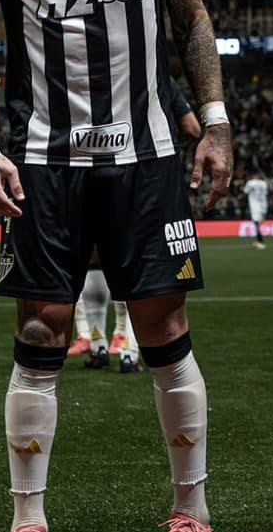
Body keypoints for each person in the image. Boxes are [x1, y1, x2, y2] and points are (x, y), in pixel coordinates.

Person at [0, 0, 232, 532]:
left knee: (161, 330)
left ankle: (192, 514)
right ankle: (27, 523)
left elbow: (190, 14)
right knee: (39, 332)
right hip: (44, 156)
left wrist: (217, 122)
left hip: (150, 150)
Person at [68, 78, 203, 372]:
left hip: (79, 174)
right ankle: (129, 351)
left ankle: (97, 345)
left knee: (92, 258)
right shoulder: (152, 75)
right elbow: (193, 128)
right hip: (139, 175)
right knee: (136, 269)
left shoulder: (77, 71)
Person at [243, 169, 270, 249]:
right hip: (264, 205)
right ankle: (258, 240)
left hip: (255, 205)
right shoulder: (264, 183)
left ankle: (260, 241)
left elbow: (245, 191)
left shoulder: (250, 183)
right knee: (258, 223)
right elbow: (266, 193)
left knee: (256, 223)